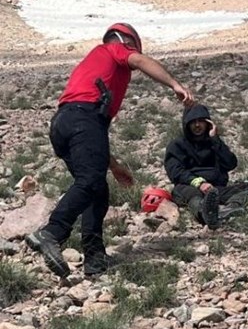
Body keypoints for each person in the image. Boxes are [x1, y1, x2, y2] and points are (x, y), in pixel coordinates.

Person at [26, 23, 195, 278]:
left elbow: (91, 133)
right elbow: (138, 60)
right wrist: (175, 84)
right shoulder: (112, 49)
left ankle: (94, 260)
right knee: (90, 182)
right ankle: (52, 232)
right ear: (127, 42)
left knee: (97, 189)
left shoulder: (93, 65)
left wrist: (113, 166)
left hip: (64, 123)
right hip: (84, 118)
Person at [164, 104, 247, 229]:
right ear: (187, 124)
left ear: (208, 123)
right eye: (193, 122)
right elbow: (175, 172)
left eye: (201, 121)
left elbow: (231, 164)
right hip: (189, 187)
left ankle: (228, 210)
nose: (197, 125)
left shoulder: (213, 142)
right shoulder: (177, 145)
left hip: (215, 189)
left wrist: (216, 140)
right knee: (194, 197)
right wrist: (199, 183)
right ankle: (204, 213)